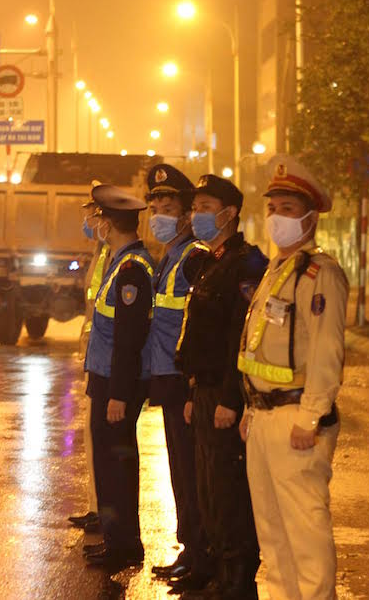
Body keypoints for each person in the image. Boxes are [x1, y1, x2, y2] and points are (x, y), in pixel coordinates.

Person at [237, 155, 347, 600]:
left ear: (309, 216)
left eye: (286, 209)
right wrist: (249, 408)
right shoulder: (276, 270)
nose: (276, 218)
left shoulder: (320, 273)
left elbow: (326, 349)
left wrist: (313, 414)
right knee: (272, 533)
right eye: (272, 208)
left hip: (296, 419)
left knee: (305, 533)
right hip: (263, 418)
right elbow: (258, 346)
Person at [175, 174, 268, 599]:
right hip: (205, 390)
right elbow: (199, 334)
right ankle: (213, 568)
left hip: (225, 395)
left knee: (229, 490)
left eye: (206, 206)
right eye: (196, 206)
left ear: (229, 213)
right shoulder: (210, 262)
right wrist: (195, 389)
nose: (197, 215)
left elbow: (239, 339)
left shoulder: (245, 265)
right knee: (207, 487)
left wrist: (231, 399)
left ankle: (237, 578)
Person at [142, 164, 211, 590]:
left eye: (168, 207)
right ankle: (190, 549)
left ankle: (201, 555)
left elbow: (201, 326)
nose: (159, 214)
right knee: (180, 472)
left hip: (184, 381)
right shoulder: (170, 256)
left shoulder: (193, 257)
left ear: (186, 215)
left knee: (192, 472)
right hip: (167, 379)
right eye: (155, 207)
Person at [81, 184, 155, 572]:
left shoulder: (132, 270)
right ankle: (116, 538)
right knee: (109, 464)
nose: (95, 225)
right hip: (105, 377)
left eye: (98, 219)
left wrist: (120, 395)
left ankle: (125, 543)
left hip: (117, 382)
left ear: (109, 224)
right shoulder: (119, 261)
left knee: (117, 466)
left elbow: (129, 340)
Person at [68, 198, 111, 535]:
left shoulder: (118, 258)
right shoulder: (102, 253)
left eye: (94, 217)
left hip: (108, 364)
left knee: (106, 444)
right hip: (96, 358)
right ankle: (97, 507)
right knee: (93, 441)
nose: (90, 224)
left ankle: (107, 515)